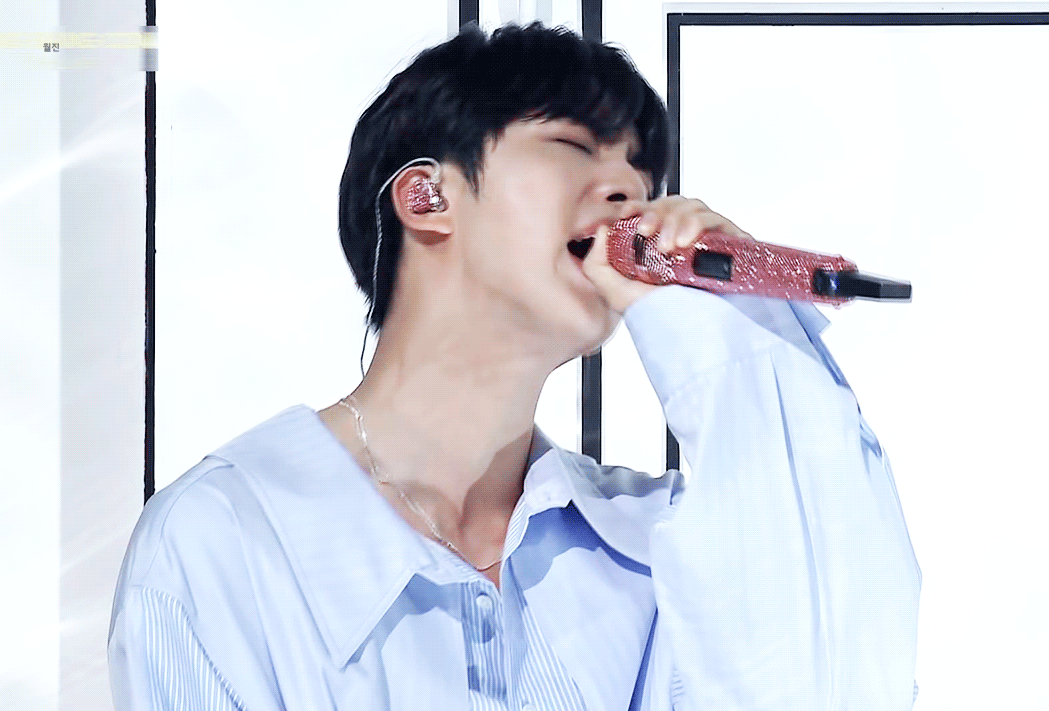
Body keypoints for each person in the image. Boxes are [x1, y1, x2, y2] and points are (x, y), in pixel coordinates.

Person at [108, 22, 921, 711]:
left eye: (643, 173)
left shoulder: (656, 543)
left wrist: (727, 325)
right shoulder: (229, 541)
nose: (630, 191)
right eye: (574, 147)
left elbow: (836, 674)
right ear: (426, 197)